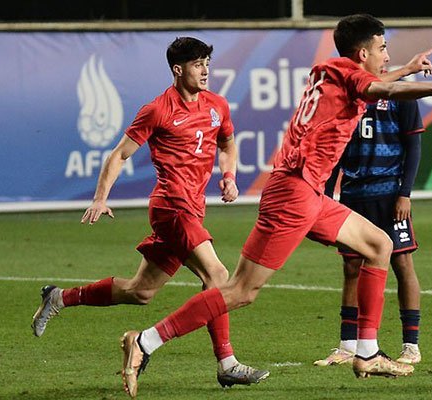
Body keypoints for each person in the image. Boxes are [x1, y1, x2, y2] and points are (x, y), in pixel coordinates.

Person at [118, 14, 432, 398]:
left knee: (379, 245)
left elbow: (374, 84)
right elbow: (383, 91)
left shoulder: (329, 70)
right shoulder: (355, 77)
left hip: (307, 192)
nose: (387, 55)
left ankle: (367, 351)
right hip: (294, 196)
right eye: (382, 48)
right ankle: (146, 342)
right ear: (362, 53)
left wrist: (407, 68)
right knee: (240, 290)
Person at [31, 37, 269, 391]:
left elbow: (227, 143)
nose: (205, 70)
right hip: (171, 207)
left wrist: (229, 176)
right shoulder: (158, 109)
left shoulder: (217, 104)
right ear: (178, 69)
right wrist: (100, 198)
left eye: (207, 62)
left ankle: (59, 297)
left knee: (140, 291)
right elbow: (118, 155)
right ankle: (226, 363)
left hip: (193, 210)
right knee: (218, 276)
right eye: (197, 64)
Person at [315, 93, 424, 367]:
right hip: (353, 195)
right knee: (351, 268)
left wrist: (405, 193)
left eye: (384, 48)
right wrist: (326, 195)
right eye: (380, 48)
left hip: (389, 195)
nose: (383, 56)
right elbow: (337, 150)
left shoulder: (401, 96)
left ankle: (411, 346)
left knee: (402, 263)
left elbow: (414, 145)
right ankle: (348, 345)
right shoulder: (347, 97)